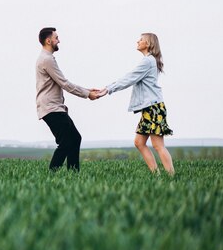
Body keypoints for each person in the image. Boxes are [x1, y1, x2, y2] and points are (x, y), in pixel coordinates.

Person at [98, 33, 175, 175]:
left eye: (141, 39)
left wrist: (108, 89)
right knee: (139, 142)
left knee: (158, 145)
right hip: (150, 108)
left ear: (148, 43)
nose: (138, 41)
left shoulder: (148, 61)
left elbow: (129, 78)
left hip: (154, 108)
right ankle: (156, 175)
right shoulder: (150, 60)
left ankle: (171, 176)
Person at [36, 27, 101, 172]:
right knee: (67, 141)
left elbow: (63, 83)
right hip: (51, 107)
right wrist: (87, 94)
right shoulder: (46, 60)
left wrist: (87, 90)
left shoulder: (46, 59)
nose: (59, 40)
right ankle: (52, 173)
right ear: (48, 41)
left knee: (74, 139)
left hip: (52, 107)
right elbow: (64, 83)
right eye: (56, 38)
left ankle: (73, 174)